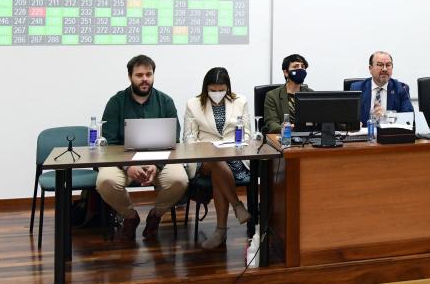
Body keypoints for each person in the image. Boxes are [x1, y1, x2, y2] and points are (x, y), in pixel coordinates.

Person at [99, 55, 189, 241]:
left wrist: (157, 164)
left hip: (161, 160)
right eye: (139, 75)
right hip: (123, 162)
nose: (145, 79)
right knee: (105, 181)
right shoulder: (116, 102)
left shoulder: (165, 102)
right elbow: (110, 142)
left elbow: (174, 139)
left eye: (149, 74)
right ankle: (130, 216)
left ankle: (156, 215)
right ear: (130, 77)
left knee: (179, 180)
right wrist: (128, 166)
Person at [183, 67, 252, 249]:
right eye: (213, 90)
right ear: (206, 88)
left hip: (234, 156)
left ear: (227, 88)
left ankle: (220, 231)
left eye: (221, 90)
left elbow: (246, 135)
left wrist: (232, 148)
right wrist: (207, 149)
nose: (217, 93)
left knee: (218, 173)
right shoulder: (193, 104)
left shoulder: (240, 101)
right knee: (214, 161)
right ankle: (237, 205)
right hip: (204, 158)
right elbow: (189, 139)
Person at [351, 51, 414, 124]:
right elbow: (347, 118)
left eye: (388, 65)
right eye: (380, 65)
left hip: (389, 134)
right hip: (364, 134)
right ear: (370, 69)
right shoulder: (357, 88)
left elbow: (409, 119)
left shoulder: (401, 88)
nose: (384, 69)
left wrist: (387, 116)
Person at [263, 53, 313, 134]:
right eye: (295, 66)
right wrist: (286, 128)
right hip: (284, 138)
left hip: (308, 137)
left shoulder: (311, 94)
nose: (300, 69)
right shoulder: (272, 95)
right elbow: (271, 123)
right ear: (286, 72)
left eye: (302, 67)